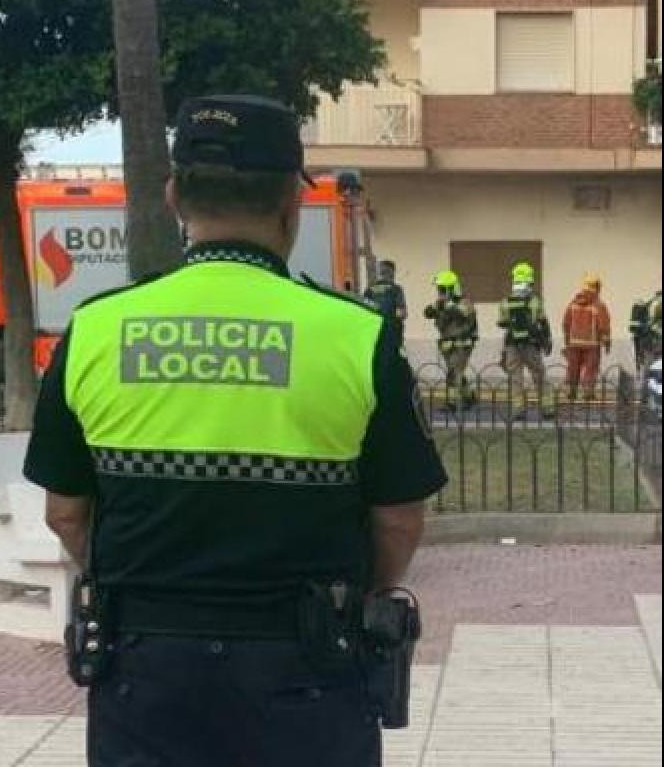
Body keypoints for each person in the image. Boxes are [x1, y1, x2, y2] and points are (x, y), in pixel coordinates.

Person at [24, 95, 447, 767]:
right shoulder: (357, 335)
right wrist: (361, 597)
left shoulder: (96, 329)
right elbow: (398, 519)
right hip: (308, 670)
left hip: (144, 671)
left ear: (173, 196)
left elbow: (66, 514)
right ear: (291, 202)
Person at [498, 262, 555, 420]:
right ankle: (548, 409)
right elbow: (543, 321)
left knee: (515, 378)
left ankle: (518, 410)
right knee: (539, 375)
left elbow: (502, 323)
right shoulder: (535, 301)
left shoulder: (505, 302)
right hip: (531, 344)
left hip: (512, 345)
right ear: (530, 280)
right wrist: (547, 340)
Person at [423, 270, 478, 412]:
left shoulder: (464, 302)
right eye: (439, 288)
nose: (439, 291)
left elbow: (463, 314)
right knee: (456, 372)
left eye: (442, 288)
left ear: (451, 288)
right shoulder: (441, 303)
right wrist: (436, 307)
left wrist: (448, 306)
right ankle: (469, 397)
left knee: (453, 373)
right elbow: (428, 313)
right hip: (447, 344)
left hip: (462, 343)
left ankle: (453, 402)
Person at [561, 274, 612, 402]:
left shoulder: (573, 303)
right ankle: (588, 393)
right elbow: (603, 325)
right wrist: (607, 342)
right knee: (590, 368)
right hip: (592, 344)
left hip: (573, 343)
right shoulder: (599, 305)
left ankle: (571, 392)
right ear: (597, 287)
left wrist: (567, 341)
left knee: (573, 367)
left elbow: (566, 323)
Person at [364, 259, 408, 333]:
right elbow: (401, 313)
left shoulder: (369, 290)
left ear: (380, 273)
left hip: (374, 332)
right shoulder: (396, 290)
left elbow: (365, 312)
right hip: (391, 334)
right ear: (392, 273)